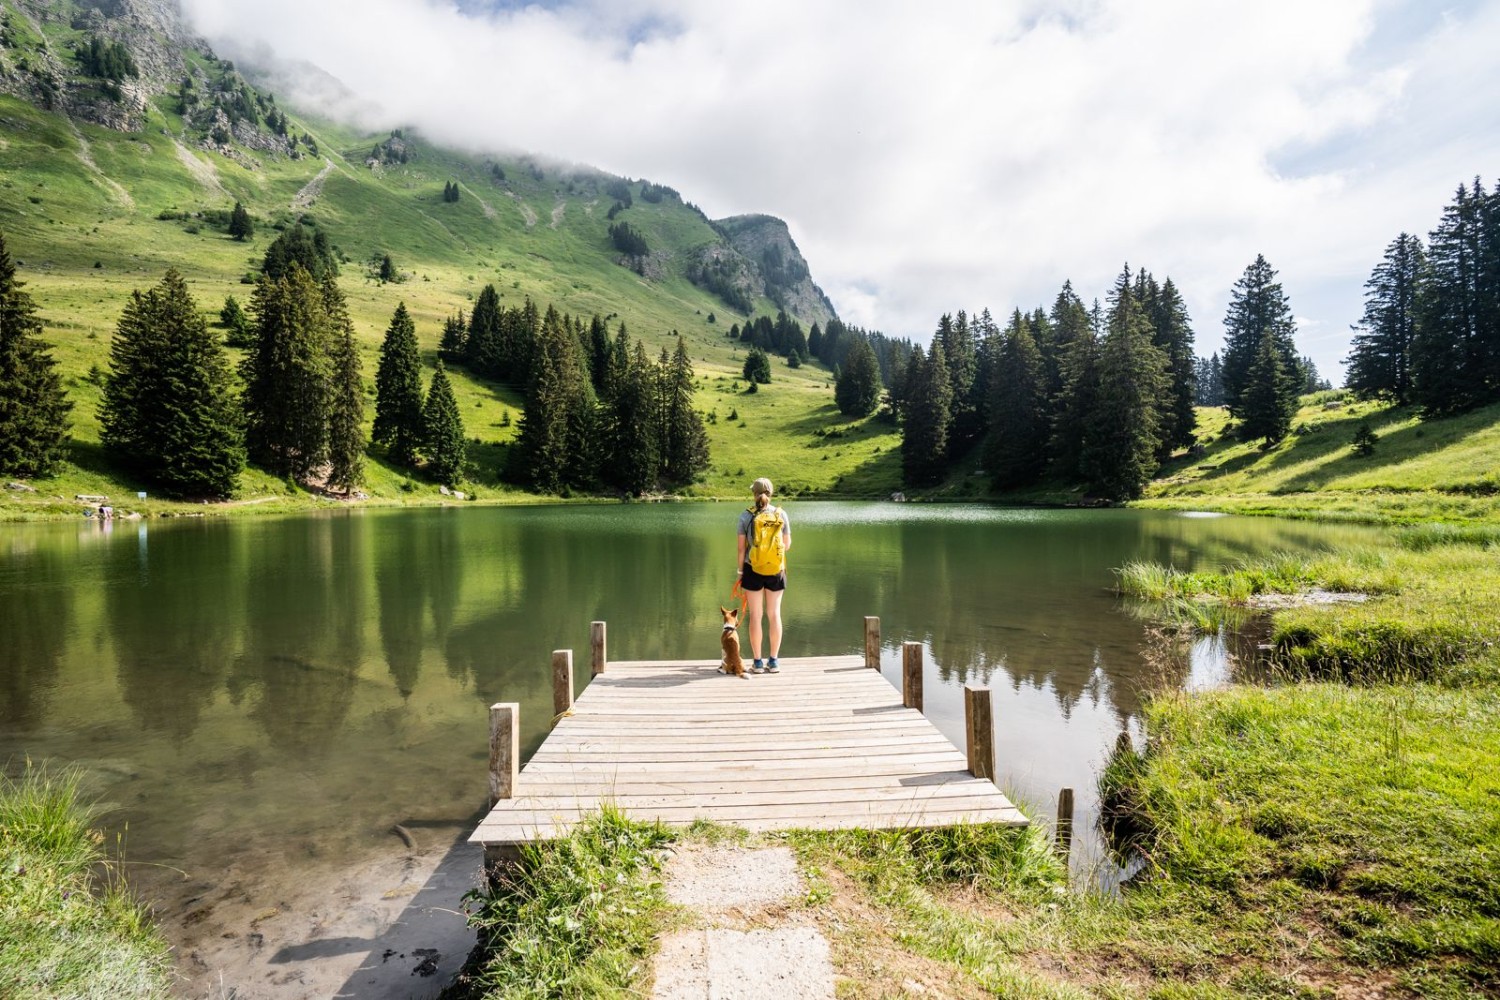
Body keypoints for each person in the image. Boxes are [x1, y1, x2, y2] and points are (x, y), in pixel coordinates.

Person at [736, 477, 791, 673]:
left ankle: (758, 662)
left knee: (756, 616)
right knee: (774, 614)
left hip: (753, 569)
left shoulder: (746, 516)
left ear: (754, 494)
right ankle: (774, 661)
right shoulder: (781, 514)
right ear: (771, 493)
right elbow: (787, 545)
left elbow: (742, 549)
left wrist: (740, 572)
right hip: (776, 569)